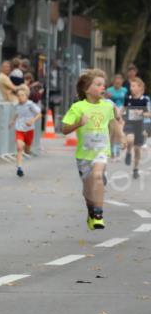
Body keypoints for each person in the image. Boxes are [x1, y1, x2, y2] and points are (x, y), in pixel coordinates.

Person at [61, 69, 116, 230]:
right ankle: (91, 211)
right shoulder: (78, 107)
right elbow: (64, 129)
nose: (102, 87)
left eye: (103, 85)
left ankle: (98, 215)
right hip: (84, 154)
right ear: (87, 89)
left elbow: (113, 124)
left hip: (101, 151)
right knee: (88, 191)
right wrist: (79, 123)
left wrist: (119, 138)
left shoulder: (107, 106)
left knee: (97, 176)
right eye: (98, 84)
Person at [10, 85, 42, 177]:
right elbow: (17, 114)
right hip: (19, 128)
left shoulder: (30, 104)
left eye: (22, 95)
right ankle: (19, 168)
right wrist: (12, 121)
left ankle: (27, 151)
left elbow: (39, 114)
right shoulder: (17, 105)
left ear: (26, 96)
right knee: (19, 147)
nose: (20, 97)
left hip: (29, 130)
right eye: (19, 95)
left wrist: (32, 120)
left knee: (27, 150)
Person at [123, 76, 150, 178]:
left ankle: (135, 169)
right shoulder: (128, 98)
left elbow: (149, 114)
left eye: (133, 86)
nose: (131, 88)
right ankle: (128, 152)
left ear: (140, 87)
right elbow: (123, 109)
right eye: (131, 86)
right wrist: (119, 116)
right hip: (129, 124)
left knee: (137, 150)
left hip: (140, 126)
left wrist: (141, 113)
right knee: (130, 139)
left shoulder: (144, 100)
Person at [106, 73, 129, 160]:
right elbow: (106, 101)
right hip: (112, 111)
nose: (118, 84)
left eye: (119, 82)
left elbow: (126, 102)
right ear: (113, 82)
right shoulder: (109, 90)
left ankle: (118, 151)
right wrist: (108, 97)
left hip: (122, 111)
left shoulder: (125, 90)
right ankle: (112, 152)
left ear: (122, 82)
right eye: (116, 82)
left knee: (119, 131)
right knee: (113, 133)